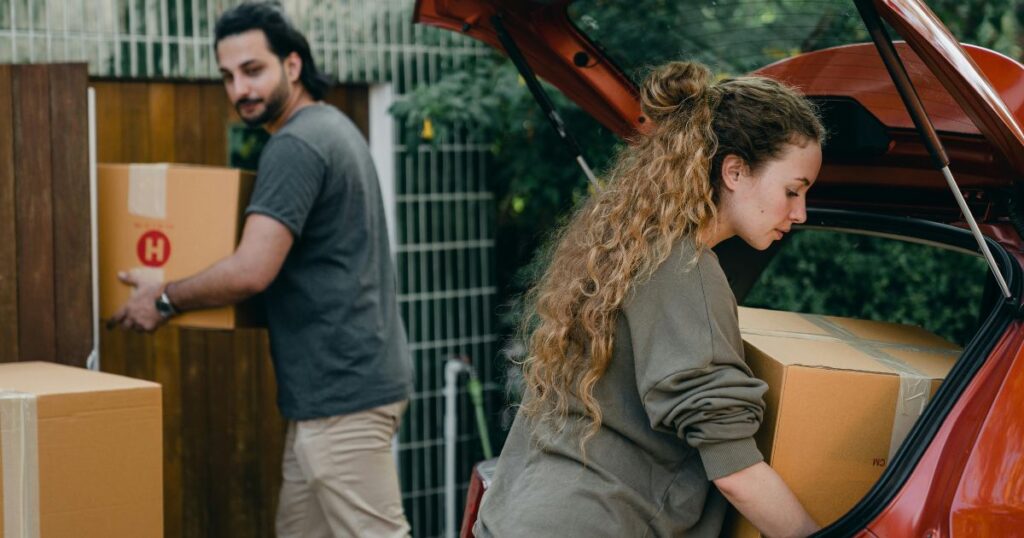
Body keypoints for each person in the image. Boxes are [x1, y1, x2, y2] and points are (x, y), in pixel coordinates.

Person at [475, 61, 825, 538]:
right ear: (736, 171)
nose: (800, 213)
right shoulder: (686, 272)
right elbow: (735, 472)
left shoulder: (628, 249)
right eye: (792, 190)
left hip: (514, 516)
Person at [110, 2, 412, 536]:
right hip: (332, 395)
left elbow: (252, 270)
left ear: (292, 66)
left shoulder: (295, 145)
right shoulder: (331, 127)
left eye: (253, 70)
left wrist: (163, 298)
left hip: (341, 397)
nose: (239, 89)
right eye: (228, 76)